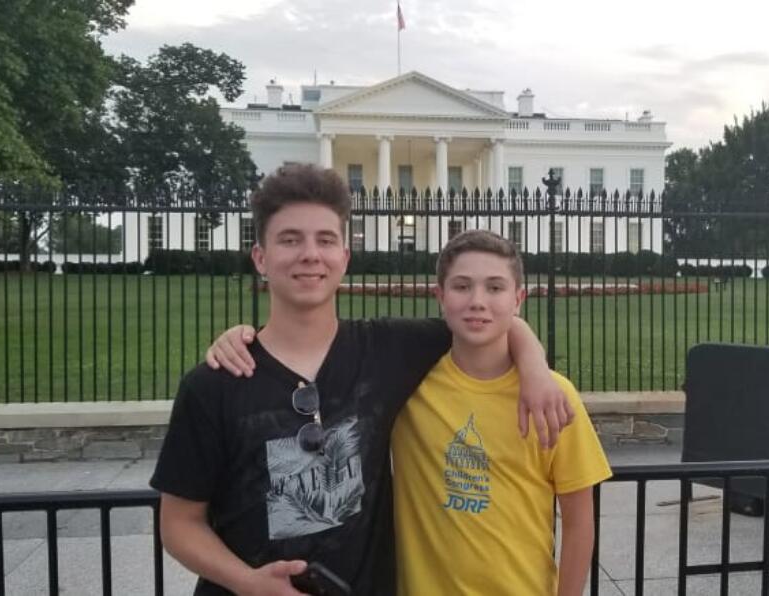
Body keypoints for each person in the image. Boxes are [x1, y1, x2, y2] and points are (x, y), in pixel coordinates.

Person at [151, 164, 571, 596]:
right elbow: (178, 525)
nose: (310, 254)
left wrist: (535, 365)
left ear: (345, 257)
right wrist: (248, 583)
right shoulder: (215, 384)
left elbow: (483, 319)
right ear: (260, 257)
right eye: (290, 239)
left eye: (326, 240)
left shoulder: (386, 350)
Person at [391, 230, 611, 596]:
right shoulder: (408, 386)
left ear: (518, 299)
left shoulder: (554, 397)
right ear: (440, 296)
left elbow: (578, 521)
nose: (478, 301)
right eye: (462, 286)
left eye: (495, 288)